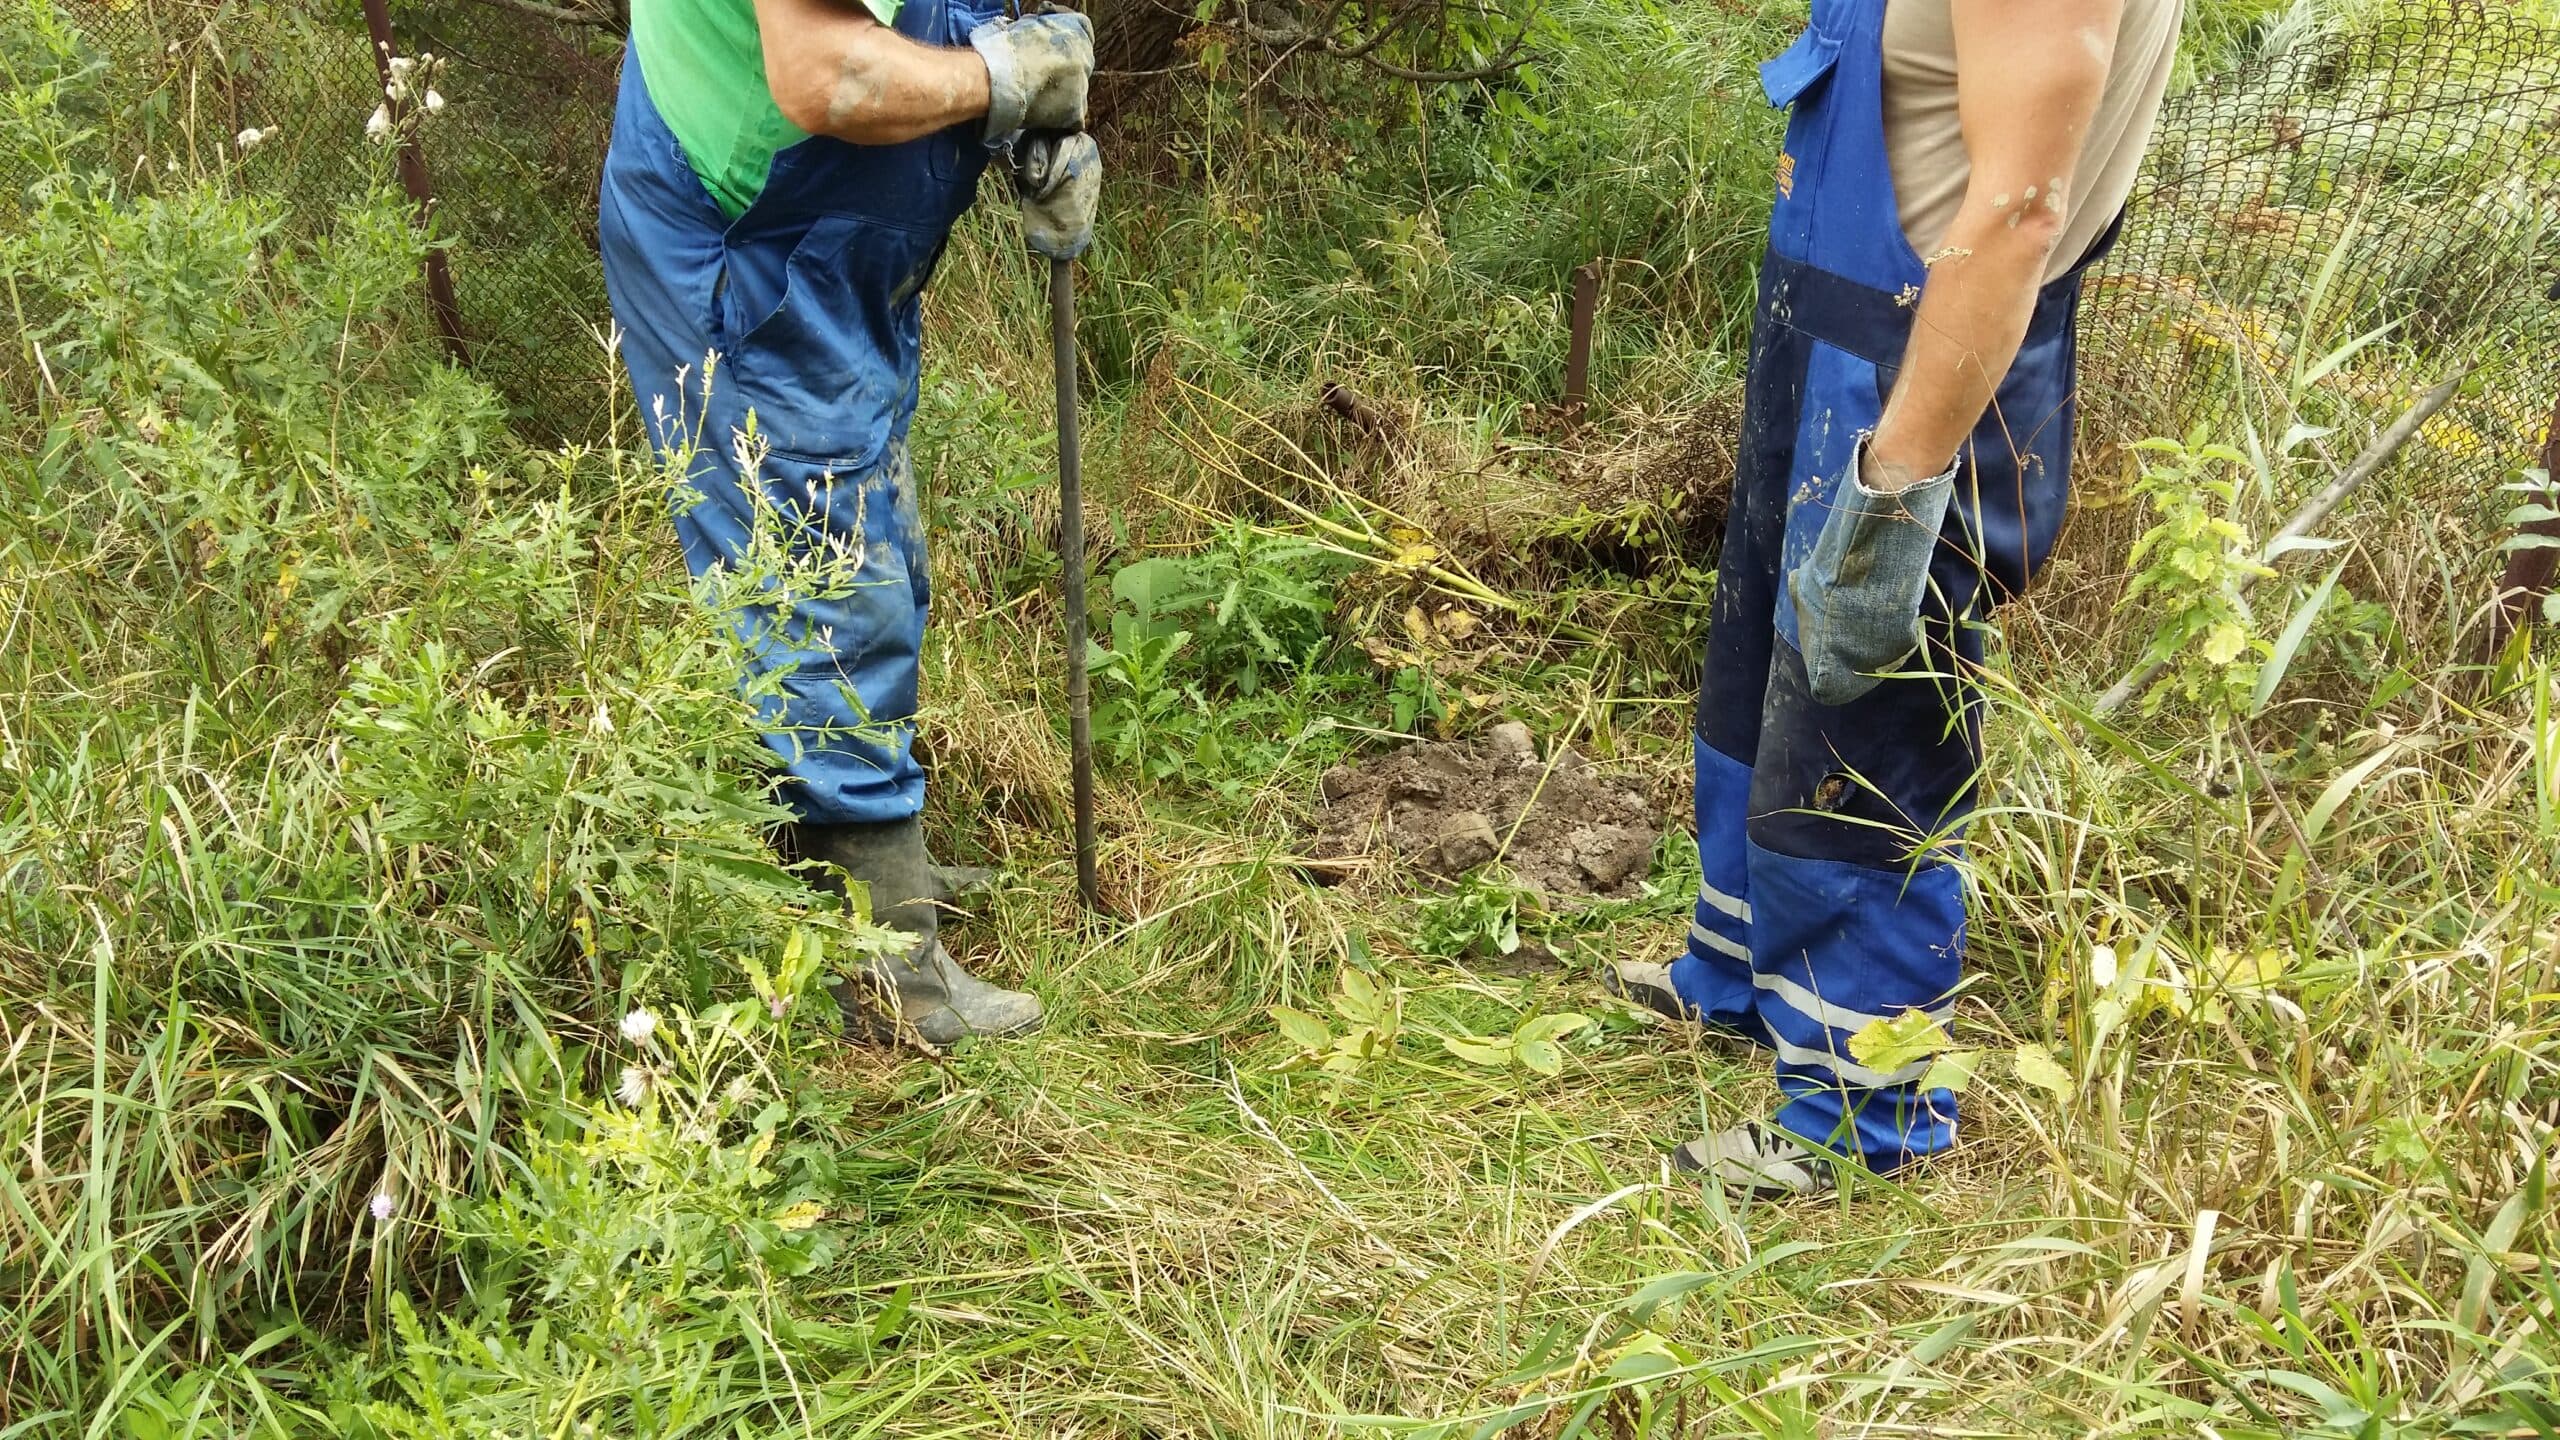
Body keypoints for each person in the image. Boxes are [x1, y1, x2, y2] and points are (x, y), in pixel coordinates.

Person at [1605, 0, 2181, 1196]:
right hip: (1826, 316)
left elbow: (2021, 210)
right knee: (1758, 667)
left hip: (1922, 367)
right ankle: (1740, 971)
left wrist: (1898, 479)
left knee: (1865, 733)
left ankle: (1860, 1109)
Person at [598, 0, 1102, 1045]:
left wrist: (1016, 125)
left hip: (827, 243)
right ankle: (889, 974)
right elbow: (825, 74)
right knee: (826, 585)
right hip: (745, 246)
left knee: (876, 546)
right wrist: (1000, 80)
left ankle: (860, 862)